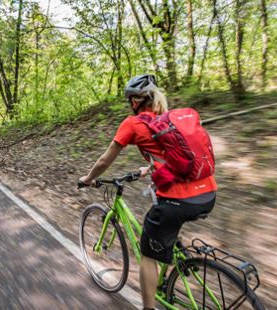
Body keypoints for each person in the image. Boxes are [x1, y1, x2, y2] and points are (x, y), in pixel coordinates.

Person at [79, 74, 217, 310]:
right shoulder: (169, 121)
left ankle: (148, 308)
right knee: (166, 229)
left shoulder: (133, 124)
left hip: (177, 201)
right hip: (208, 194)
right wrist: (150, 168)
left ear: (135, 101)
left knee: (148, 254)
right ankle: (177, 257)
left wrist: (88, 178)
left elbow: (104, 160)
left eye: (130, 100)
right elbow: (176, 157)